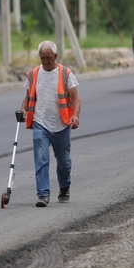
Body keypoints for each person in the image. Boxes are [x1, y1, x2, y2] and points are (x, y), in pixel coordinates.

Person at [20, 41, 81, 207]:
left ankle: (64, 186)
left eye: (49, 58)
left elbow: (75, 98)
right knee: (41, 158)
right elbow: (27, 98)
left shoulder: (66, 74)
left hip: (61, 125)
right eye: (42, 58)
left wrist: (75, 116)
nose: (46, 61)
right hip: (40, 123)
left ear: (55, 56)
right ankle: (43, 194)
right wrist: (24, 110)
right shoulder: (33, 75)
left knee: (64, 162)